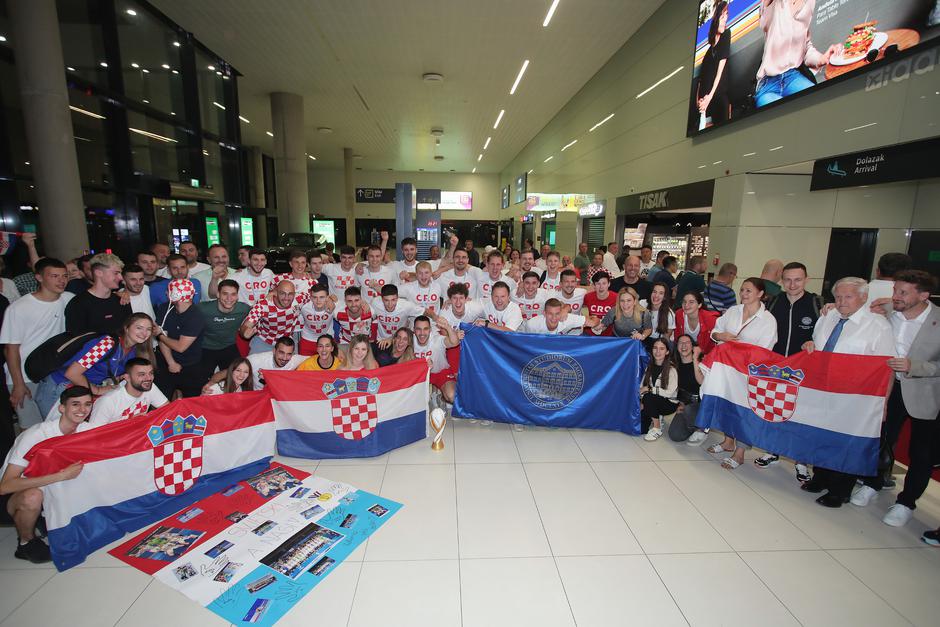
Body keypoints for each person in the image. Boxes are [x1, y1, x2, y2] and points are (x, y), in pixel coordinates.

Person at [798, 277, 895, 508]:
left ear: (863, 297)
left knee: (846, 443)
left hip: (855, 397)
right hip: (823, 391)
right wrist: (808, 346)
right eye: (838, 297)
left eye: (848, 297)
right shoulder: (828, 317)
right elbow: (816, 344)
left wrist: (883, 403)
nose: (842, 302)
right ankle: (820, 477)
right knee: (821, 436)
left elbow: (886, 368)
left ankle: (840, 490)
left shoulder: (878, 326)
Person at [852, 271, 939, 525]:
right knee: (882, 438)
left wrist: (915, 365)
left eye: (903, 292)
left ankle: (906, 502)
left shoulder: (938, 321)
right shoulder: (888, 310)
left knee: (920, 451)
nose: (895, 297)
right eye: (895, 291)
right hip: (890, 388)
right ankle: (872, 482)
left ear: (923, 295)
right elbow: (853, 309)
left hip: (925, 391)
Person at [0, 386, 93, 563]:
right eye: (75, 404)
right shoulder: (36, 435)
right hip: (20, 492)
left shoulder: (86, 429)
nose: (82, 410)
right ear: (62, 408)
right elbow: (5, 486)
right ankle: (26, 542)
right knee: (33, 497)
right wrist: (60, 476)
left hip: (55, 489)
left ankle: (45, 519)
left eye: (87, 404)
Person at [756, 261, 823, 477]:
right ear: (781, 280)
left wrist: (814, 342)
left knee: (800, 414)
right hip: (776, 368)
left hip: (803, 370)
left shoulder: (817, 303)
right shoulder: (774, 302)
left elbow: (827, 334)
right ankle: (772, 450)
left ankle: (800, 459)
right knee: (774, 409)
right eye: (787, 280)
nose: (792, 284)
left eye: (798, 280)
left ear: (806, 280)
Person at [707, 277, 778, 468]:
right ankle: (728, 441)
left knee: (745, 410)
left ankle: (740, 452)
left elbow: (765, 351)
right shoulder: (733, 311)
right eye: (742, 290)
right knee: (728, 405)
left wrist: (742, 351)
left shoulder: (768, 320)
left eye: (749, 291)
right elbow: (714, 331)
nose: (744, 294)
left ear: (760, 294)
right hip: (728, 370)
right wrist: (721, 336)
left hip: (749, 373)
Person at [35, 312, 156, 418]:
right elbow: (72, 373)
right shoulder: (106, 344)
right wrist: (97, 390)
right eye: (139, 328)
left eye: (149, 329)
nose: (144, 333)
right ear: (126, 328)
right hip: (60, 388)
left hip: (81, 391)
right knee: (57, 437)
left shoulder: (134, 352)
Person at [1, 258, 73, 429]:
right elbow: (11, 349)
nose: (61, 280)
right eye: (54, 276)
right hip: (25, 377)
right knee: (32, 430)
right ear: (39, 278)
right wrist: (18, 384)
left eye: (64, 276)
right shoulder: (19, 308)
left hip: (56, 375)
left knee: (59, 426)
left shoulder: (70, 299)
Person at [754, 0, 839, 108]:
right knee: (781, 116)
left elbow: (806, 47)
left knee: (820, 103)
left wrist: (822, 58)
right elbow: (763, 20)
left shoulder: (809, 3)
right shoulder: (774, 4)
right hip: (768, 84)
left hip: (792, 77)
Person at [154, 280, 205, 399]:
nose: (166, 293)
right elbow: (163, 340)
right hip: (166, 360)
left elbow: (180, 347)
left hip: (190, 364)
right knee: (161, 400)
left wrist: (159, 335)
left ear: (176, 295)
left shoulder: (196, 316)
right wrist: (171, 362)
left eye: (169, 291)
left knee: (192, 402)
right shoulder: (164, 308)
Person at [65, 253, 132, 337]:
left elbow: (128, 333)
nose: (121, 278)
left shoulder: (122, 300)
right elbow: (76, 340)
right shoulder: (78, 304)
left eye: (120, 273)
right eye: (116, 273)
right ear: (98, 273)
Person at [86, 358, 168, 426]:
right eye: (142, 374)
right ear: (127, 377)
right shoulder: (108, 401)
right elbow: (93, 435)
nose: (148, 378)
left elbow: (169, 410)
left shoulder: (149, 387)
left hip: (137, 438)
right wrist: (129, 424)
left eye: (151, 373)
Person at [205, 336, 305, 390]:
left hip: (278, 399)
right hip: (256, 397)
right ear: (274, 351)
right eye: (281, 353)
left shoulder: (294, 360)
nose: (284, 358)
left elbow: (317, 360)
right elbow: (229, 371)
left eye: (289, 354)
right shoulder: (255, 360)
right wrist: (211, 383)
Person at [196, 279, 249, 375]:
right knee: (200, 380)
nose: (229, 298)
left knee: (236, 375)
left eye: (233, 294)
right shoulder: (203, 309)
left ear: (237, 296)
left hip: (228, 346)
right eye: (225, 294)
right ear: (218, 294)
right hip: (206, 347)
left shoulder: (243, 309)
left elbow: (261, 310)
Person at [240, 280, 308, 354]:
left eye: (290, 294)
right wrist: (245, 333)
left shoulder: (299, 300)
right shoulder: (263, 305)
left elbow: (314, 295)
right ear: (276, 293)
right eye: (282, 293)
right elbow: (246, 325)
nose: (286, 298)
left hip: (286, 343)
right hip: (264, 341)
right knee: (252, 363)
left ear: (295, 294)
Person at [696, 1, 731, 126]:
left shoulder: (726, 35)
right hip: (705, 108)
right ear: (716, 19)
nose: (725, 20)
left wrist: (709, 97)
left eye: (726, 16)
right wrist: (699, 102)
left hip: (718, 100)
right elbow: (700, 82)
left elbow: (720, 72)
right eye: (723, 16)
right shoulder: (707, 54)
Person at [667, 335, 707, 444]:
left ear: (693, 346)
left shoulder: (702, 362)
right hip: (685, 403)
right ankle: (694, 426)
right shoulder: (675, 365)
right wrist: (679, 403)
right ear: (677, 346)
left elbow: (701, 382)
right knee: (675, 435)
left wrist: (695, 359)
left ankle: (702, 429)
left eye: (687, 342)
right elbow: (676, 389)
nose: (684, 345)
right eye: (680, 342)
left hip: (701, 404)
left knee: (689, 410)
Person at [413, 316, 461, 404]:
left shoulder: (436, 339)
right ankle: (432, 391)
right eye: (418, 329)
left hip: (440, 372)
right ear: (414, 330)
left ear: (430, 329)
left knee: (452, 396)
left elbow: (455, 342)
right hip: (420, 375)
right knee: (413, 401)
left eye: (425, 329)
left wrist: (447, 327)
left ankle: (441, 395)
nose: (422, 333)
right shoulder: (409, 340)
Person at [640, 338, 678, 441]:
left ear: (667, 352)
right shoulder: (649, 366)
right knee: (641, 429)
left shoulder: (671, 369)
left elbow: (670, 393)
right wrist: (640, 401)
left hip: (669, 403)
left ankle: (657, 427)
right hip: (651, 400)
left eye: (661, 349)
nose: (657, 351)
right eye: (655, 348)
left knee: (649, 397)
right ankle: (656, 415)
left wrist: (650, 389)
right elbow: (641, 387)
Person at [372, 284, 425, 348]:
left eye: (393, 300)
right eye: (386, 300)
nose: (390, 304)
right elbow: (367, 313)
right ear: (382, 299)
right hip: (381, 340)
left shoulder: (405, 305)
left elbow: (424, 311)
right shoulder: (375, 303)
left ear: (397, 298)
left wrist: (436, 318)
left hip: (400, 341)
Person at [521, 298, 597, 335]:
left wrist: (593, 323)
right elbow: (529, 344)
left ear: (561, 313)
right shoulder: (532, 324)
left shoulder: (567, 319)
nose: (554, 318)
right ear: (544, 313)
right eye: (550, 314)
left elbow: (595, 320)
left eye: (557, 314)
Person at [298, 284, 336, 355]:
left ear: (327, 297)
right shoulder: (304, 306)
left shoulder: (334, 306)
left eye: (322, 297)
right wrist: (274, 292)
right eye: (315, 297)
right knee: (304, 365)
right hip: (307, 340)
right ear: (311, 298)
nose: (318, 301)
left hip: (327, 340)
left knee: (329, 365)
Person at [582, 271, 618, 336]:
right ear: (594, 285)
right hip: (589, 334)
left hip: (608, 336)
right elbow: (584, 314)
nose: (601, 287)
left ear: (609, 284)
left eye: (604, 283)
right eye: (598, 284)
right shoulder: (588, 297)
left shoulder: (616, 298)